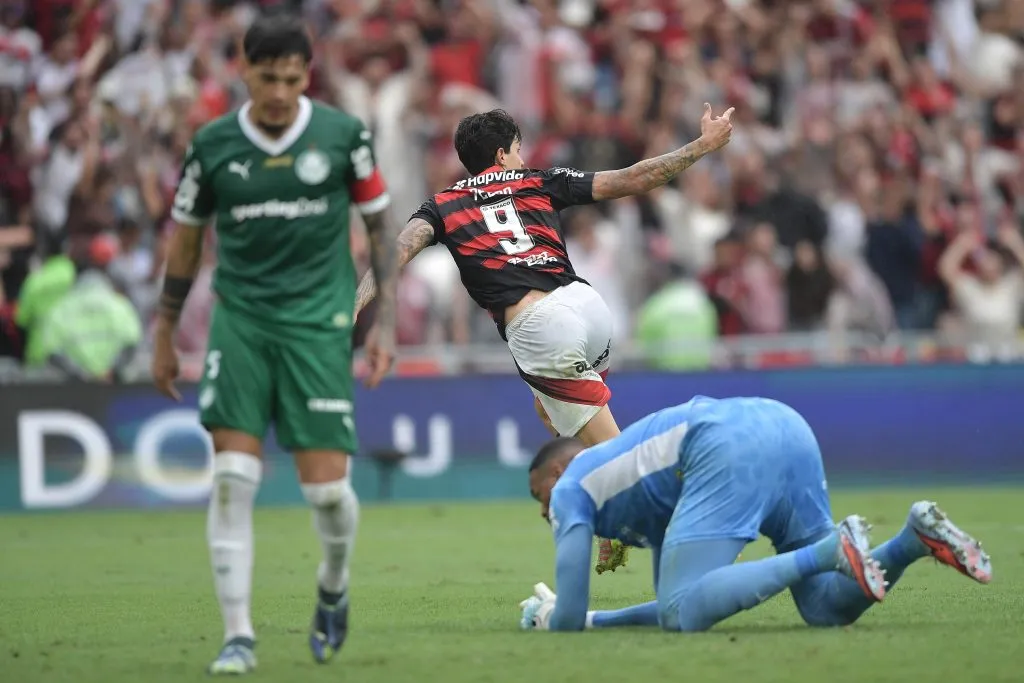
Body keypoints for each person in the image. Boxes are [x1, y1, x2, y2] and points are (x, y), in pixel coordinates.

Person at [353, 105, 734, 573]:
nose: (521, 155)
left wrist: (354, 306)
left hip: (540, 327)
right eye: (517, 147)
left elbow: (397, 251)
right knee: (549, 412)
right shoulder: (538, 180)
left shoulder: (442, 204)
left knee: (617, 456)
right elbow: (633, 178)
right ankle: (609, 522)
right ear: (502, 153)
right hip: (589, 309)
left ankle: (690, 511)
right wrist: (702, 146)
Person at [150, 13, 402, 675]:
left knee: (326, 495)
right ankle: (238, 635)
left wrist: (386, 326)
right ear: (244, 67)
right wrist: (164, 331)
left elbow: (381, 229)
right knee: (233, 477)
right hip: (241, 320)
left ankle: (334, 581)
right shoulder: (211, 144)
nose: (282, 91)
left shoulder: (342, 135)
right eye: (269, 77)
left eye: (294, 78)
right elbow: (184, 239)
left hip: (319, 324)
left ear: (307, 72)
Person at [520, 396, 992, 633]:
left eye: (540, 495)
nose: (546, 510)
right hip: (784, 425)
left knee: (685, 608)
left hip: (723, 443)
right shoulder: (640, 497)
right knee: (824, 608)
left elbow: (569, 614)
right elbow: (674, 606)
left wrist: (550, 615)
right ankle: (913, 539)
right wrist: (595, 620)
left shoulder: (572, 488)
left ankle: (831, 550)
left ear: (557, 472)